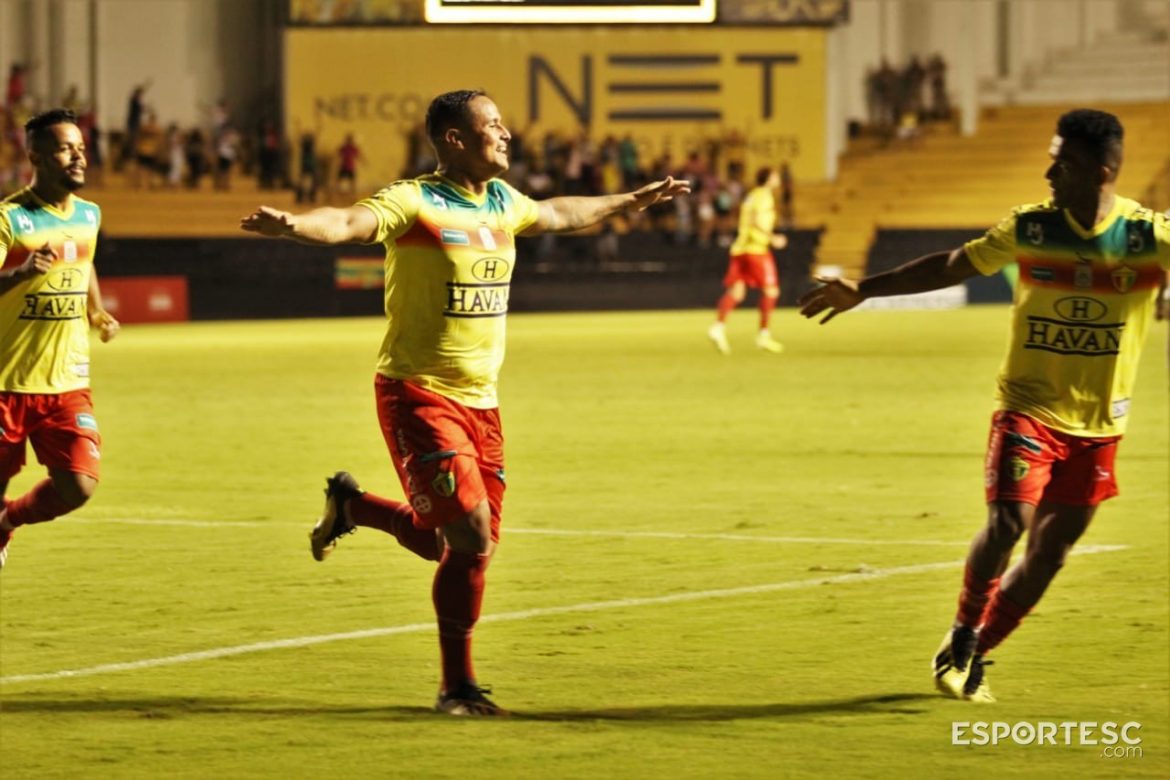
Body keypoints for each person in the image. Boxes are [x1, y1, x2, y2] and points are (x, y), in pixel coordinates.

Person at [241, 89, 688, 716]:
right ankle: (457, 687)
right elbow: (348, 222)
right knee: (471, 538)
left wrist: (627, 201)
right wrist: (295, 227)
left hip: (483, 403)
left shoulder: (503, 201)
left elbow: (558, 212)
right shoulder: (415, 201)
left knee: (449, 546)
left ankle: (353, 505)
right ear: (455, 139)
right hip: (418, 392)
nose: (506, 134)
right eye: (493, 125)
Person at [798, 109, 1170, 702]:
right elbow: (952, 264)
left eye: (1064, 164)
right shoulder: (1031, 228)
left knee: (1050, 554)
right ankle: (965, 632)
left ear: (1101, 173)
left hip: (1101, 425)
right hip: (1028, 409)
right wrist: (864, 290)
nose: (1049, 173)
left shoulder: (1148, 238)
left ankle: (972, 653)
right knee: (1007, 523)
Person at [0, 108, 120, 569]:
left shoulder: (89, 214)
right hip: (8, 383)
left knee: (79, 486)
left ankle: (6, 521)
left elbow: (85, 260)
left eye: (81, 148)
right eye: (66, 149)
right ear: (36, 156)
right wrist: (20, 273)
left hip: (67, 381)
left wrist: (96, 309)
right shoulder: (11, 218)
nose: (79, 157)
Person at [707, 166, 788, 354]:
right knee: (771, 291)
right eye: (775, 176)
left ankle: (718, 327)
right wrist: (772, 237)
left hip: (740, 249)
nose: (778, 179)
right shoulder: (764, 196)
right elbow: (754, 220)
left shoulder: (751, 195)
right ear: (768, 179)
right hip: (756, 250)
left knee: (737, 292)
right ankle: (763, 335)